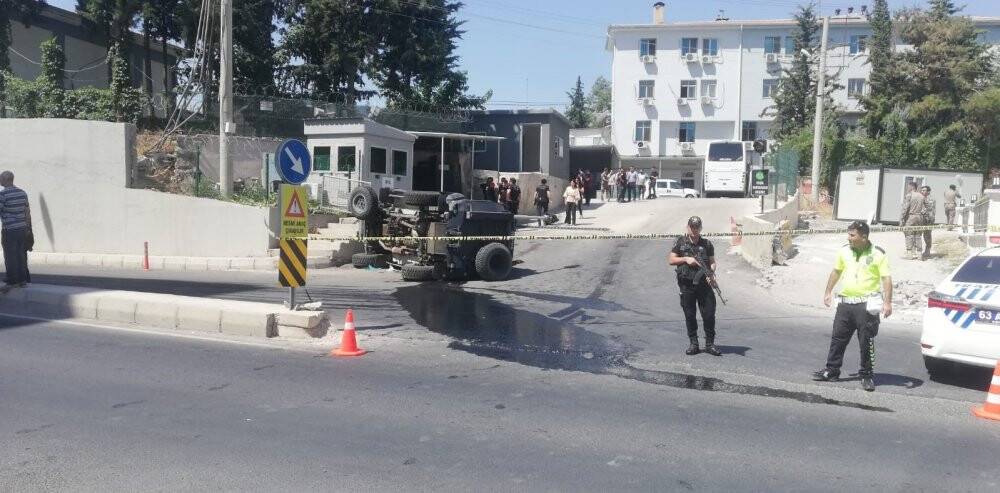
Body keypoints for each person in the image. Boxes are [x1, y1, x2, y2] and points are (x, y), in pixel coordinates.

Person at [813, 221, 893, 392]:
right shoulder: (844, 251)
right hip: (845, 304)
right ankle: (832, 371)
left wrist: (887, 302)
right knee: (837, 339)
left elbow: (886, 279)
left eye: (852, 235)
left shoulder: (878, 254)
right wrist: (828, 292)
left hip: (866, 306)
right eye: (848, 234)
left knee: (867, 342)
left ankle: (866, 374)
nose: (848, 238)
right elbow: (836, 271)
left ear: (863, 237)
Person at [668, 216, 721, 356]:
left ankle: (710, 344)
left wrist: (711, 273)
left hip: (704, 285)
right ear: (688, 227)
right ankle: (694, 344)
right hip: (687, 286)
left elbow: (712, 262)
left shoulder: (707, 244)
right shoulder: (680, 242)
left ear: (700, 228)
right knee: (690, 315)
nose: (694, 229)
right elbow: (671, 260)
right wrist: (686, 259)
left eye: (697, 227)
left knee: (709, 315)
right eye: (692, 227)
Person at [0, 171, 31, 290]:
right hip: (22, 228)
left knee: (10, 255)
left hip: (10, 229)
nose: (0, 181)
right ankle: (22, 280)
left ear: (7, 180)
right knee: (21, 254)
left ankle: (13, 281)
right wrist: (28, 228)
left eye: (1, 179)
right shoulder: (22, 193)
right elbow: (26, 211)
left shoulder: (3, 195)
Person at [900, 181, 925, 260]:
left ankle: (910, 253)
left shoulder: (909, 195)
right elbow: (925, 208)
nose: (907, 188)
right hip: (919, 217)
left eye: (908, 186)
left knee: (909, 235)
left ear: (912, 187)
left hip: (911, 217)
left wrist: (901, 218)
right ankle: (919, 254)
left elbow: (905, 208)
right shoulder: (921, 196)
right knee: (918, 235)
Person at [920, 185, 935, 260]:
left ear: (928, 192)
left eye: (924, 190)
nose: (922, 191)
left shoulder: (930, 199)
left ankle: (928, 250)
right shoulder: (920, 198)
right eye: (922, 190)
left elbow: (929, 209)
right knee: (920, 234)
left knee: (927, 235)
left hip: (929, 219)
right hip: (921, 219)